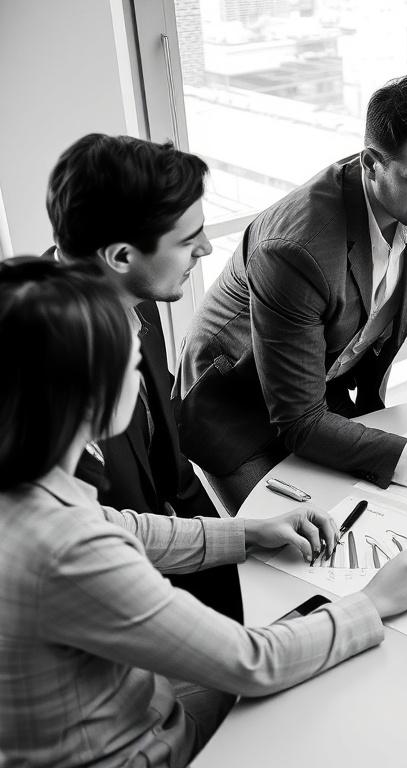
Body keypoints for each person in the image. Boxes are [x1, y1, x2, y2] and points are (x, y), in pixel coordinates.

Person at [0, 260, 407, 767]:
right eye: (129, 363)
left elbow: (129, 528)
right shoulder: (69, 550)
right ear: (89, 394)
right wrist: (375, 601)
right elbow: (251, 663)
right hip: (145, 749)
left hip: (121, 714)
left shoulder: (27, 487)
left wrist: (251, 532)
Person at [174, 74, 407, 513]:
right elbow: (300, 422)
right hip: (235, 402)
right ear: (371, 163)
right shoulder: (294, 250)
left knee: (379, 518)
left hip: (320, 383)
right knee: (294, 540)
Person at [44, 133, 242, 621]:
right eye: (187, 240)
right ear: (120, 256)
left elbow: (167, 455)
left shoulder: (132, 292)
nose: (206, 248)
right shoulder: (44, 371)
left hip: (177, 540)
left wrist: (243, 543)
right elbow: (90, 535)